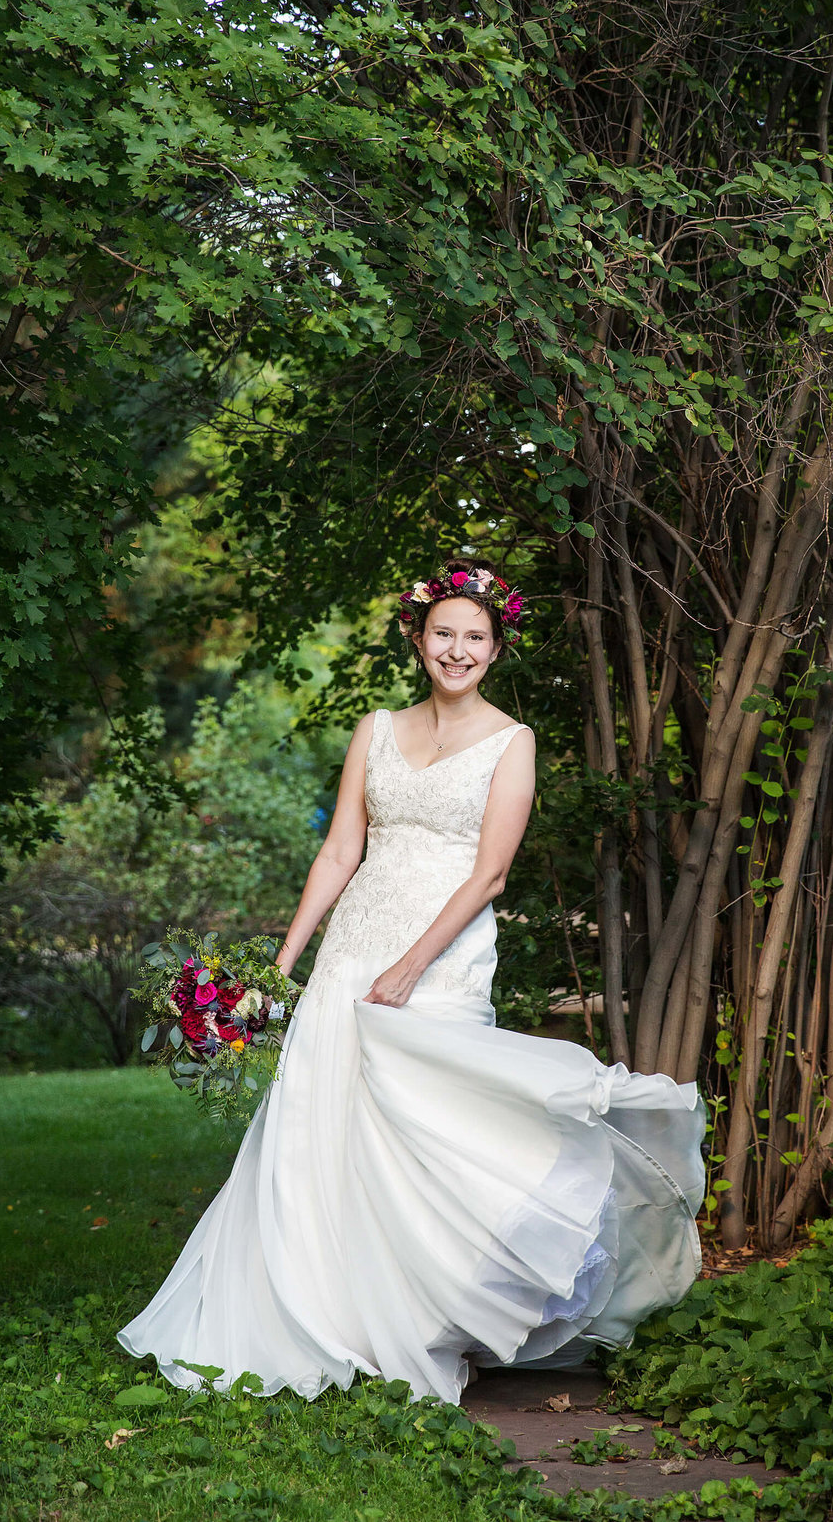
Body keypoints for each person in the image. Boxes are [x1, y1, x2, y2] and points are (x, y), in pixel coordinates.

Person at [118, 560, 705, 1404]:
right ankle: (332, 1310)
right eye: (444, 634)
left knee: (435, 1127)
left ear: (495, 649)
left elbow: (490, 873)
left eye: (474, 637)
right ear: (417, 638)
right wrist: (281, 966)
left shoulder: (513, 742)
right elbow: (339, 851)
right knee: (324, 1127)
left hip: (442, 955)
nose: (456, 650)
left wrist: (412, 965)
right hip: (354, 944)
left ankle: (434, 1314)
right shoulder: (375, 728)